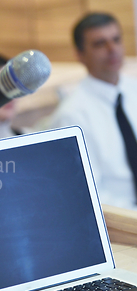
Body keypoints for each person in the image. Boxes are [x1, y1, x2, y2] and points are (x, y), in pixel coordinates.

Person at [50, 12, 137, 210]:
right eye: (100, 43)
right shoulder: (72, 115)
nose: (112, 49)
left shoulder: (134, 90)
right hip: (121, 221)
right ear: (79, 54)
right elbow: (88, 194)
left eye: (116, 40)